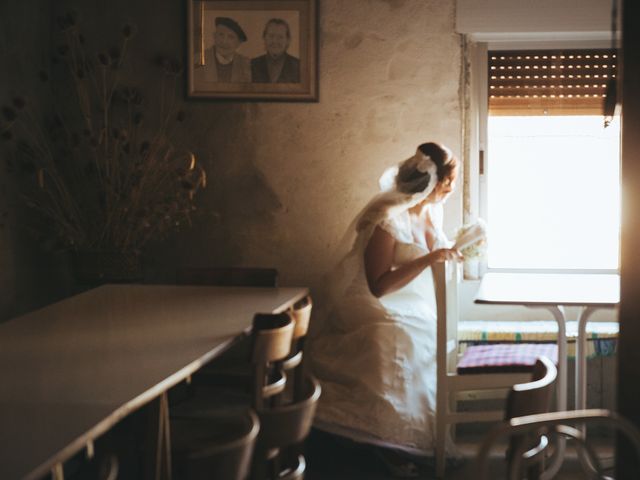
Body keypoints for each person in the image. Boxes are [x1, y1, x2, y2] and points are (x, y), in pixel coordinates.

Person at [308, 142, 462, 476]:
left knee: (423, 334)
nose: (451, 191)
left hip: (413, 304)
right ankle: (379, 441)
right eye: (449, 184)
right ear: (438, 184)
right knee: (391, 336)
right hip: (370, 300)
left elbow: (439, 260)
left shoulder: (432, 215)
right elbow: (379, 284)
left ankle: (405, 442)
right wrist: (429, 258)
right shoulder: (387, 218)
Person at [197, 16, 251, 83]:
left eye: (231, 37)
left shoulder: (246, 64)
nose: (224, 41)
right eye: (221, 35)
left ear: (238, 43)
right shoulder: (198, 60)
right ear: (214, 36)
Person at [250, 18, 300, 83]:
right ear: (264, 38)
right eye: (271, 36)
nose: (275, 41)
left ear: (288, 40)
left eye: (280, 37)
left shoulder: (299, 66)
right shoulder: (251, 65)